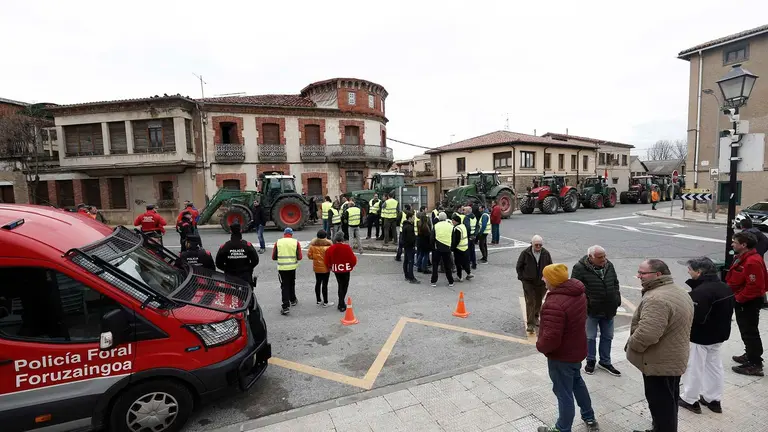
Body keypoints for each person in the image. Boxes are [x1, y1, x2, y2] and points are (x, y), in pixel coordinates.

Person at [628, 259, 694, 432]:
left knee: (661, 406)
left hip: (659, 363)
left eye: (642, 273)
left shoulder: (656, 298)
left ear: (658, 274)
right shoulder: (678, 291)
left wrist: (631, 345)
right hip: (673, 358)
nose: (639, 276)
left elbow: (647, 334)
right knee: (668, 402)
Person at [536, 264, 600, 432]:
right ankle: (589, 417)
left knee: (563, 393)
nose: (542, 279)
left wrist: (540, 346)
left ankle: (562, 428)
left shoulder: (554, 303)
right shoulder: (578, 293)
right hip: (576, 350)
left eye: (545, 276)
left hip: (561, 356)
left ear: (553, 280)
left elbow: (551, 338)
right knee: (577, 382)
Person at [678, 257, 734, 414]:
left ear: (699, 272)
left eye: (690, 269)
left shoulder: (701, 292)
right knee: (714, 366)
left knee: (693, 367)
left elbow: (696, 317)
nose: (688, 272)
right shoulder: (724, 287)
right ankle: (713, 399)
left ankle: (689, 399)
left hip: (700, 337)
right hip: (719, 335)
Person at [571, 245, 622, 377]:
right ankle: (590, 361)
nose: (603, 259)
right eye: (600, 257)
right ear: (590, 257)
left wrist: (616, 299)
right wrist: (586, 304)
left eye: (604, 256)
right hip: (591, 310)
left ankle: (605, 361)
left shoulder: (609, 265)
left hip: (609, 308)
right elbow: (575, 289)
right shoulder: (579, 268)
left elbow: (615, 283)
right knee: (590, 337)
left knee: (608, 336)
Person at [726, 231, 767, 376]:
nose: (732, 244)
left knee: (750, 332)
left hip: (748, 302)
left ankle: (755, 363)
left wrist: (738, 299)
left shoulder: (752, 261)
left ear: (744, 245)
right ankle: (749, 354)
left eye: (735, 242)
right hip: (743, 300)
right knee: (746, 330)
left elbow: (755, 286)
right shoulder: (742, 257)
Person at [516, 235, 553, 333]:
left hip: (541, 282)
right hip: (528, 282)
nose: (538, 247)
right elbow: (519, 266)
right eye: (536, 245)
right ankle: (530, 324)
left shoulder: (546, 253)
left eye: (540, 245)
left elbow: (550, 267)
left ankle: (536, 317)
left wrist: (548, 280)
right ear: (532, 244)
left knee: (538, 301)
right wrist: (522, 278)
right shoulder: (525, 253)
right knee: (530, 302)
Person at [215, 222, 259, 287]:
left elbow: (218, 263)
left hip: (230, 277)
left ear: (231, 231)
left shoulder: (225, 247)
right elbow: (255, 260)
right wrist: (248, 268)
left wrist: (227, 269)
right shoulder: (247, 245)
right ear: (240, 230)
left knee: (231, 292)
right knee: (247, 292)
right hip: (245, 277)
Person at [272, 227, 303, 315]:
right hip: (292, 267)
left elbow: (273, 257)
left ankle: (285, 306)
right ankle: (293, 300)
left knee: (284, 286)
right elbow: (300, 257)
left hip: (282, 268)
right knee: (292, 283)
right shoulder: (295, 242)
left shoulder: (278, 242)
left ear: (284, 234)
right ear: (291, 234)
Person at [325, 231, 358, 312]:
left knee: (340, 285)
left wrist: (330, 267)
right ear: (342, 239)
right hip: (346, 269)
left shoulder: (331, 248)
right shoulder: (347, 247)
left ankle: (341, 303)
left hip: (336, 269)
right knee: (345, 286)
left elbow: (327, 259)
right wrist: (351, 266)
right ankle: (341, 303)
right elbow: (353, 259)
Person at [308, 229, 334, 308]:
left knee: (318, 282)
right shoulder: (329, 246)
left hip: (317, 267)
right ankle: (326, 302)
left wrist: (316, 258)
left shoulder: (313, 245)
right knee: (325, 284)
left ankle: (318, 300)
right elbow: (332, 257)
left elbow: (310, 256)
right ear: (325, 237)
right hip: (326, 268)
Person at [430, 212, 455, 287]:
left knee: (435, 265)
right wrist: (452, 247)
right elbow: (453, 238)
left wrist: (432, 247)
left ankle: (433, 281)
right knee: (447, 265)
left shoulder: (436, 226)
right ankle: (450, 281)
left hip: (437, 247)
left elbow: (432, 238)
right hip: (447, 247)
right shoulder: (450, 226)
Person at [451, 214, 473, 282]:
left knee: (458, 263)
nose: (452, 222)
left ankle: (459, 277)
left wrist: (452, 248)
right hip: (465, 247)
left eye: (453, 220)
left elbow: (456, 240)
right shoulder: (463, 226)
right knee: (465, 262)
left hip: (459, 248)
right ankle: (469, 273)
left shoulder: (457, 229)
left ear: (456, 221)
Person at [401, 211, 419, 284]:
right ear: (410, 218)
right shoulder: (409, 227)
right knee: (410, 261)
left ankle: (406, 275)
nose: (414, 219)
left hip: (406, 246)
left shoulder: (405, 225)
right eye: (413, 217)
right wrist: (414, 245)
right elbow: (410, 239)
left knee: (406, 261)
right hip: (410, 246)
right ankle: (411, 278)